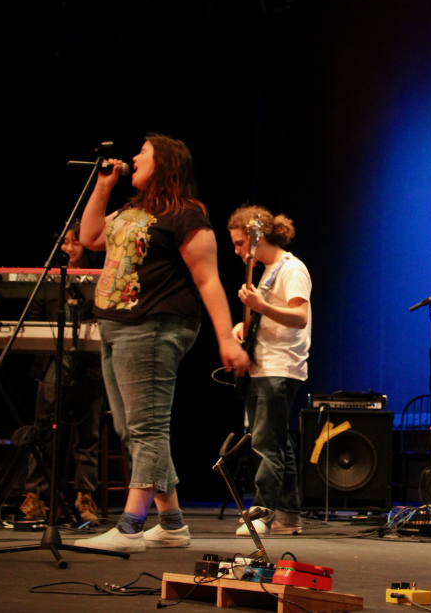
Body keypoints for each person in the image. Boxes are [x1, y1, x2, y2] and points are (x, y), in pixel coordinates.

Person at [75, 134, 249, 553]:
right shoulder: (133, 208)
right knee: (130, 428)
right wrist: (102, 186)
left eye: (143, 154)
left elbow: (209, 280)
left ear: (165, 163)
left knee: (148, 428)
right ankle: (171, 523)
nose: (133, 158)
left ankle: (131, 526)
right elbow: (91, 237)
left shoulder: (187, 215)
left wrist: (227, 338)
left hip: (156, 325)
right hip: (116, 325)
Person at [227, 205, 310, 536]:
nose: (235, 251)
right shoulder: (267, 270)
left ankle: (262, 513)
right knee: (278, 442)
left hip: (280, 365)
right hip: (263, 364)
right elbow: (267, 316)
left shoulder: (292, 269)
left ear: (254, 236)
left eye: (237, 243)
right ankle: (288, 516)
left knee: (265, 443)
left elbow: (300, 317)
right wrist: (243, 326)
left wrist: (259, 306)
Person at [20, 221, 105, 527]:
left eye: (75, 244)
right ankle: (36, 497)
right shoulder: (50, 280)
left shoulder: (100, 280)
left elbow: (103, 321)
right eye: (64, 243)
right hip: (52, 369)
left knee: (87, 436)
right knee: (42, 433)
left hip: (89, 371)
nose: (68, 249)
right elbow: (33, 321)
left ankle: (84, 496)